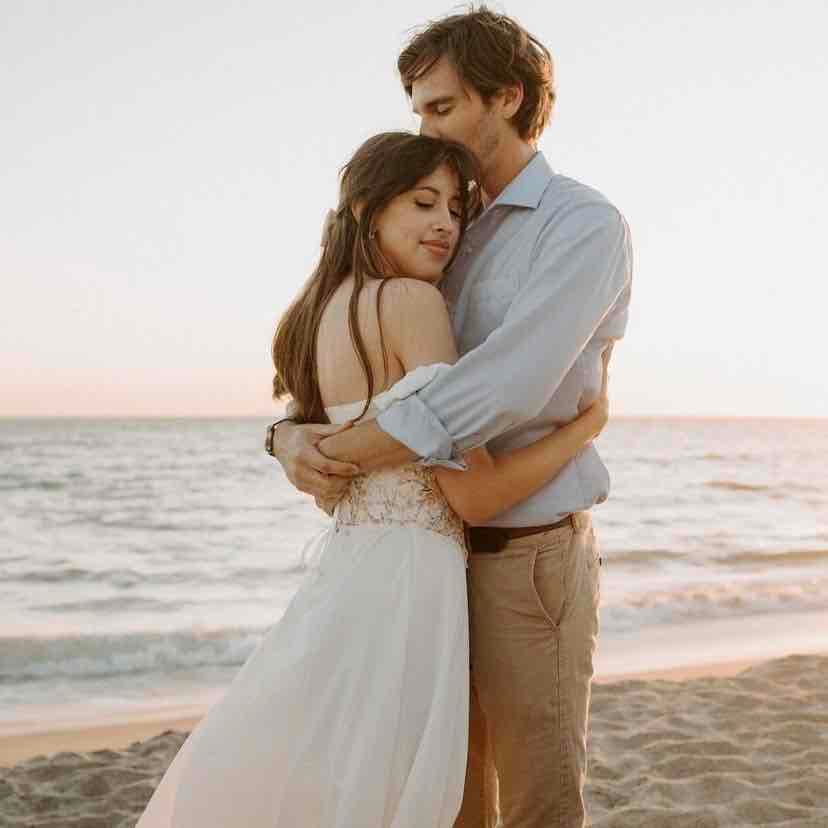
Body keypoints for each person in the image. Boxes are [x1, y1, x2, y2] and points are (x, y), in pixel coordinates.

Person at [135, 131, 611, 828]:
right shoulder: (413, 304)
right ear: (367, 208)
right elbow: (475, 496)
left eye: (455, 208)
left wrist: (282, 438)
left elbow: (321, 437)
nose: (445, 223)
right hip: (411, 584)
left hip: (351, 574)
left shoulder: (317, 315)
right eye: (423, 203)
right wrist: (583, 429)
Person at [269, 8, 633, 828]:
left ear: (506, 98)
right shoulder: (443, 224)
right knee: (447, 800)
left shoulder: (582, 226)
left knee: (538, 799)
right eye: (418, 111)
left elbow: (504, 387)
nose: (425, 128)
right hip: (431, 562)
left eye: (441, 107)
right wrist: (288, 435)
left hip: (525, 555)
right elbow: (371, 367)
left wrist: (344, 452)